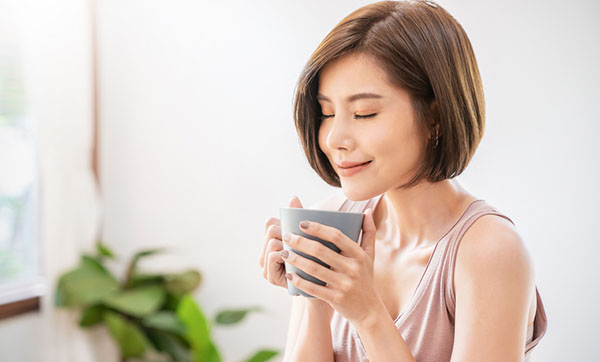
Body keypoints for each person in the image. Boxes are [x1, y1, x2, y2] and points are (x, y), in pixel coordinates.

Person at [259, 1, 547, 361]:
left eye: (365, 113)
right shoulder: (330, 220)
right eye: (327, 112)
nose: (334, 138)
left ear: (436, 116)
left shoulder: (491, 254)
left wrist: (368, 314)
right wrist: (314, 290)